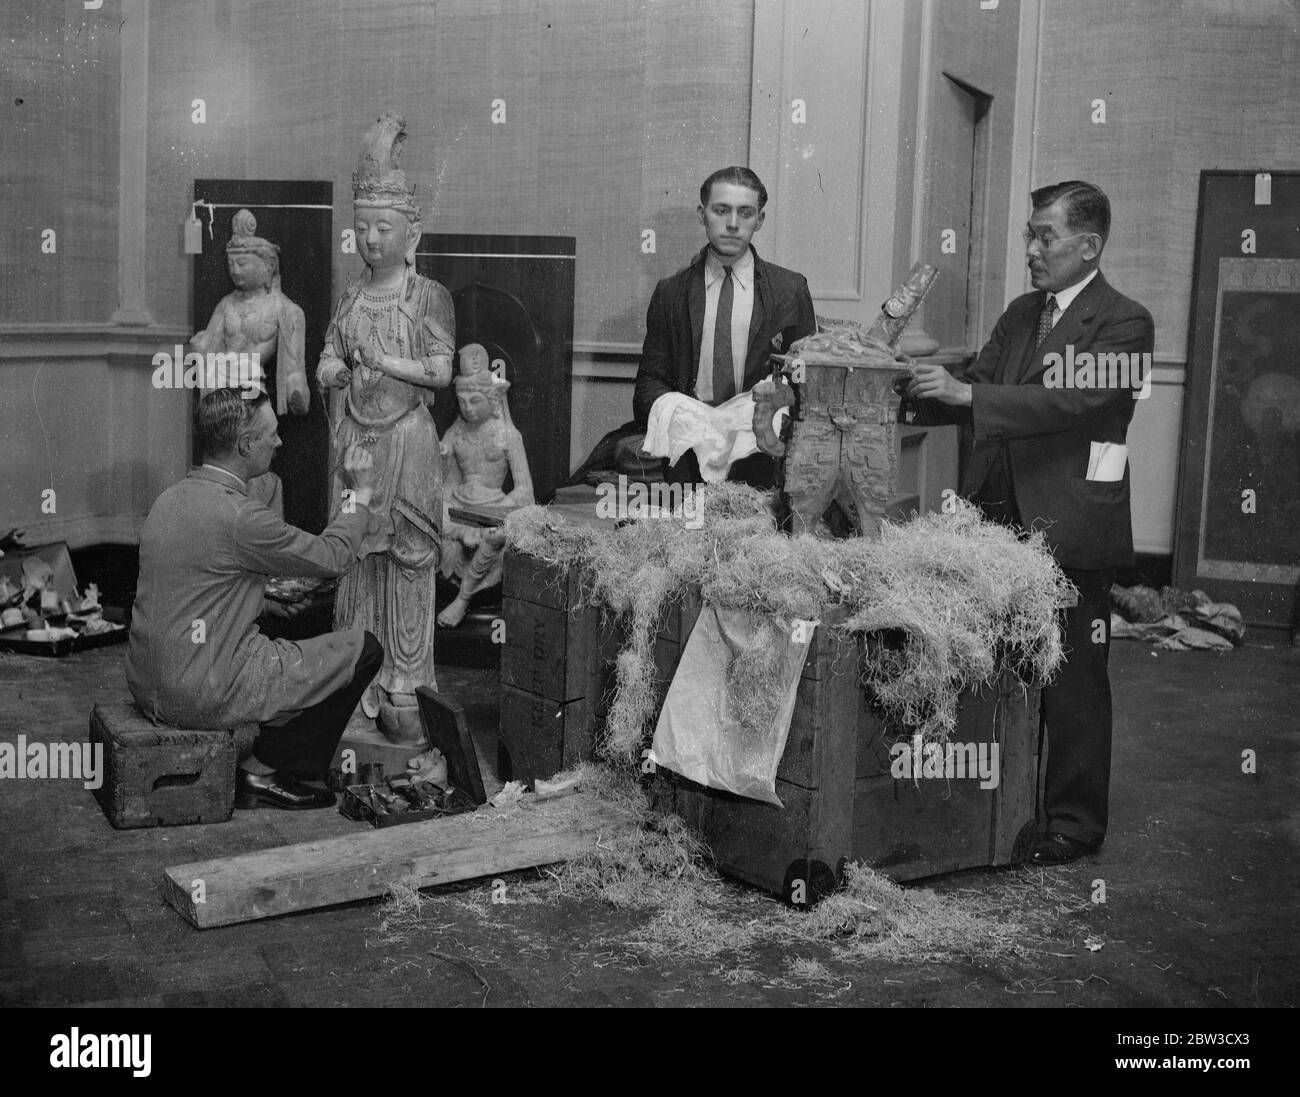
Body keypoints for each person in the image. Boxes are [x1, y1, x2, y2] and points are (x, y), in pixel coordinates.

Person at [904, 180, 1155, 864]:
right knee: (997, 672)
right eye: (1030, 236)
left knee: (1070, 680)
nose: (1032, 250)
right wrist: (900, 384)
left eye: (1045, 236)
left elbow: (1067, 401)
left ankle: (1073, 823)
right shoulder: (1023, 313)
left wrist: (968, 391)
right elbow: (981, 384)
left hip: (1072, 527)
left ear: (1089, 245)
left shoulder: (1126, 323)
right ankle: (1001, 808)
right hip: (997, 523)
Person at [126, 389, 382, 810]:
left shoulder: (168, 499)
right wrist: (361, 495)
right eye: (272, 435)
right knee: (364, 649)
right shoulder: (241, 515)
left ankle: (262, 745)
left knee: (281, 634)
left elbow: (188, 593)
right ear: (246, 445)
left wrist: (262, 601)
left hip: (148, 683)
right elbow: (332, 556)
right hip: (196, 694)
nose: (279, 443)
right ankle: (265, 770)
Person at [317, 113, 456, 743]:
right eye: (363, 228)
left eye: (385, 228)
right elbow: (329, 354)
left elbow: (440, 373)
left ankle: (405, 679)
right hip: (357, 443)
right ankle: (356, 678)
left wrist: (382, 361)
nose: (372, 240)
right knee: (355, 559)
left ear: (412, 232)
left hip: (407, 440)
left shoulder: (428, 296)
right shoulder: (351, 296)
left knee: (408, 558)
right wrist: (331, 373)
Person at [633, 166, 816, 488]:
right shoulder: (671, 293)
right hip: (687, 455)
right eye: (721, 211)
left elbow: (806, 382)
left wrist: (750, 415)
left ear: (760, 219)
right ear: (702, 214)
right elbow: (649, 384)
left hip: (760, 456)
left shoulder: (790, 290)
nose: (732, 224)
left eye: (745, 213)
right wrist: (683, 415)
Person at [436, 344, 535, 628]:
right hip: (459, 509)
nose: (467, 408)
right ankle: (463, 533)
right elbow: (446, 487)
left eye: (474, 400)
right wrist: (442, 461)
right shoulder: (456, 433)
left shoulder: (508, 435)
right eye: (462, 401)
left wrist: (495, 510)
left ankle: (463, 598)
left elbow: (525, 491)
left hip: (494, 510)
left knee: (497, 534)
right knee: (427, 512)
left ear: (491, 399)